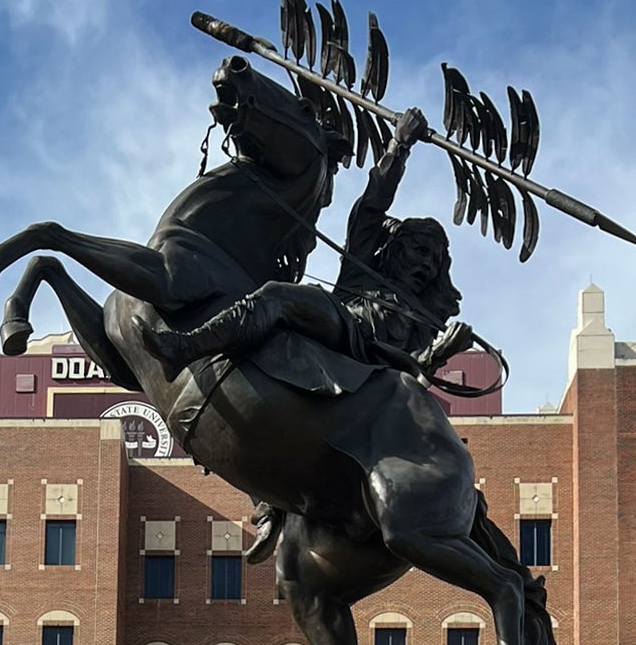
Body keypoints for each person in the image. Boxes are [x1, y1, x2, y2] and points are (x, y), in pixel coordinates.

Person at [141, 105, 471, 564]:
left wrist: (439, 351)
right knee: (268, 325)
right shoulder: (363, 265)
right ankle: (193, 353)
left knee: (279, 299)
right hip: (333, 329)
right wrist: (400, 145)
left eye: (433, 259)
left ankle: (190, 351)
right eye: (419, 248)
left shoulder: (422, 318)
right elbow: (372, 202)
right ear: (395, 246)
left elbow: (409, 377)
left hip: (365, 370)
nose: (424, 262)